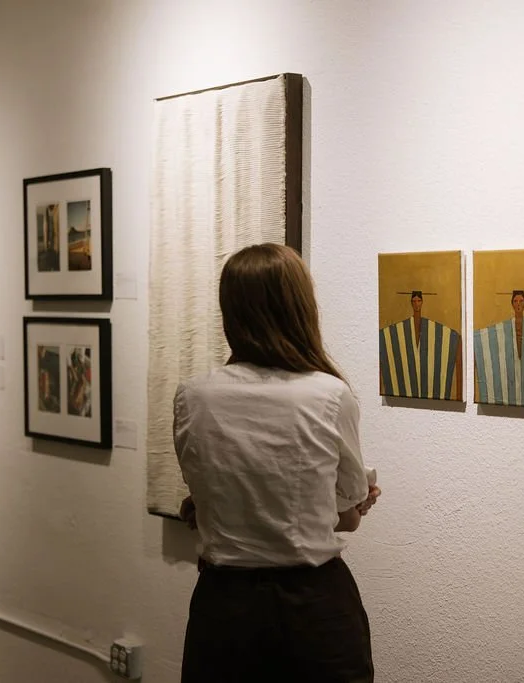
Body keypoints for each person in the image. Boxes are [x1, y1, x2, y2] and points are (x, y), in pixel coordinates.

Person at [173, 243, 381, 682]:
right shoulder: (328, 395)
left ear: (230, 310)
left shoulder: (194, 396)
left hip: (224, 608)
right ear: (300, 307)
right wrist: (355, 504)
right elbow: (347, 518)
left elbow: (208, 496)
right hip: (314, 607)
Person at [378, 289, 462, 400]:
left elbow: (455, 338)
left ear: (422, 302)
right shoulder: (398, 331)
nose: (416, 304)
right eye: (414, 301)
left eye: (419, 301)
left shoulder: (436, 330)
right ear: (411, 303)